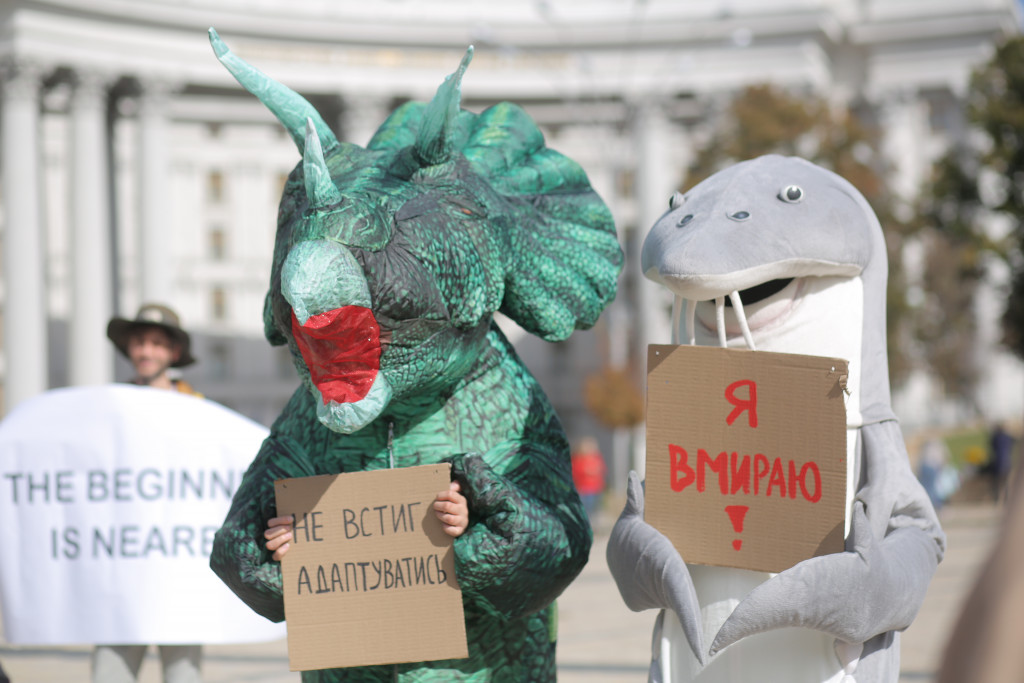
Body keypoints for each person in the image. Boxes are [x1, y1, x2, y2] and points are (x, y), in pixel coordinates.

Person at [92, 303, 203, 683]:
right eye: (139, 342)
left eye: (156, 343)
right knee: (110, 673)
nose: (145, 351)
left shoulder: (200, 413)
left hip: (179, 568)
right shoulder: (108, 410)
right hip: (122, 571)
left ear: (173, 353)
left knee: (182, 675)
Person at [571, 436, 607, 521]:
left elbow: (603, 469)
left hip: (595, 487)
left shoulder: (596, 458)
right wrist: (586, 471)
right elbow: (575, 471)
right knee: (585, 508)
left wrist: (596, 470)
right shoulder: (578, 459)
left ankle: (593, 523)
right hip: (584, 488)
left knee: (595, 507)